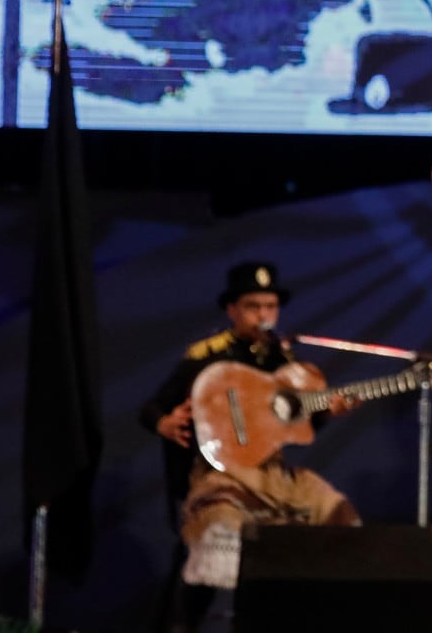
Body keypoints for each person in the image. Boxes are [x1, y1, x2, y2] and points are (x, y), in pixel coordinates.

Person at [139, 262, 360, 626]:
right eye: (253, 306)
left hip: (271, 474)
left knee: (331, 507)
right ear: (233, 310)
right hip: (219, 473)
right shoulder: (207, 357)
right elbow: (152, 408)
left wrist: (328, 411)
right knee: (219, 528)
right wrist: (164, 422)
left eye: (270, 307)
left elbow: (298, 425)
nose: (263, 315)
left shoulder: (284, 361)